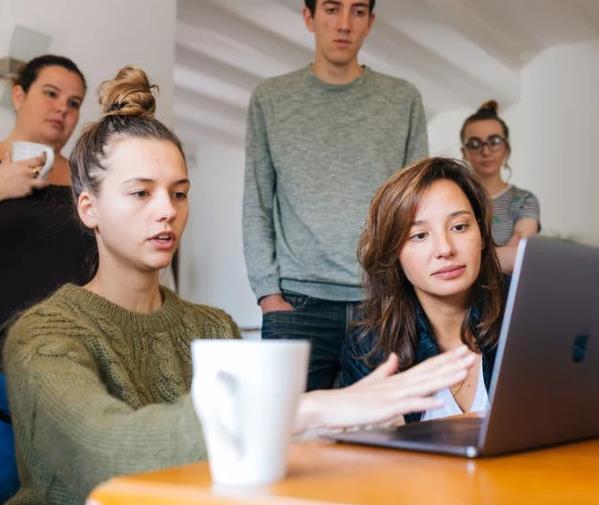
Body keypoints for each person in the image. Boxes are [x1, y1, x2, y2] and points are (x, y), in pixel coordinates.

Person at [3, 66, 472, 505]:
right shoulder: (42, 337)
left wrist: (354, 426)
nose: (167, 210)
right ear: (89, 209)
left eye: (179, 192)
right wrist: (305, 409)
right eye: (141, 192)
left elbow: (247, 462)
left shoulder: (212, 326)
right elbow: (108, 455)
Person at [243, 0, 428, 391]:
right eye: (331, 9)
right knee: (289, 439)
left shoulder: (403, 99)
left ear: (370, 22)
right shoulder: (270, 99)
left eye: (358, 11)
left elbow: (417, 206)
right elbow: (256, 202)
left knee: (381, 438)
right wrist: (267, 294)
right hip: (295, 304)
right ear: (309, 17)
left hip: (382, 301)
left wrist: (409, 289)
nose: (344, 23)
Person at [341, 157, 507, 423]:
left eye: (459, 227)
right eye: (419, 235)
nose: (445, 249)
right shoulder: (369, 344)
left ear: (482, 234)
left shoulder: (526, 310)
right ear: (393, 252)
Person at [0, 54, 95, 503]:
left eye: (74, 102)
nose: (63, 109)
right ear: (19, 94)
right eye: (51, 94)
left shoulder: (83, 182)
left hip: (71, 363)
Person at [460, 100, 540, 272]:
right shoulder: (454, 198)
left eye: (494, 141)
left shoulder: (525, 200)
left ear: (506, 147)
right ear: (464, 152)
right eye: (474, 144)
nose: (486, 151)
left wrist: (464, 262)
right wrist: (500, 256)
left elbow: (518, 257)